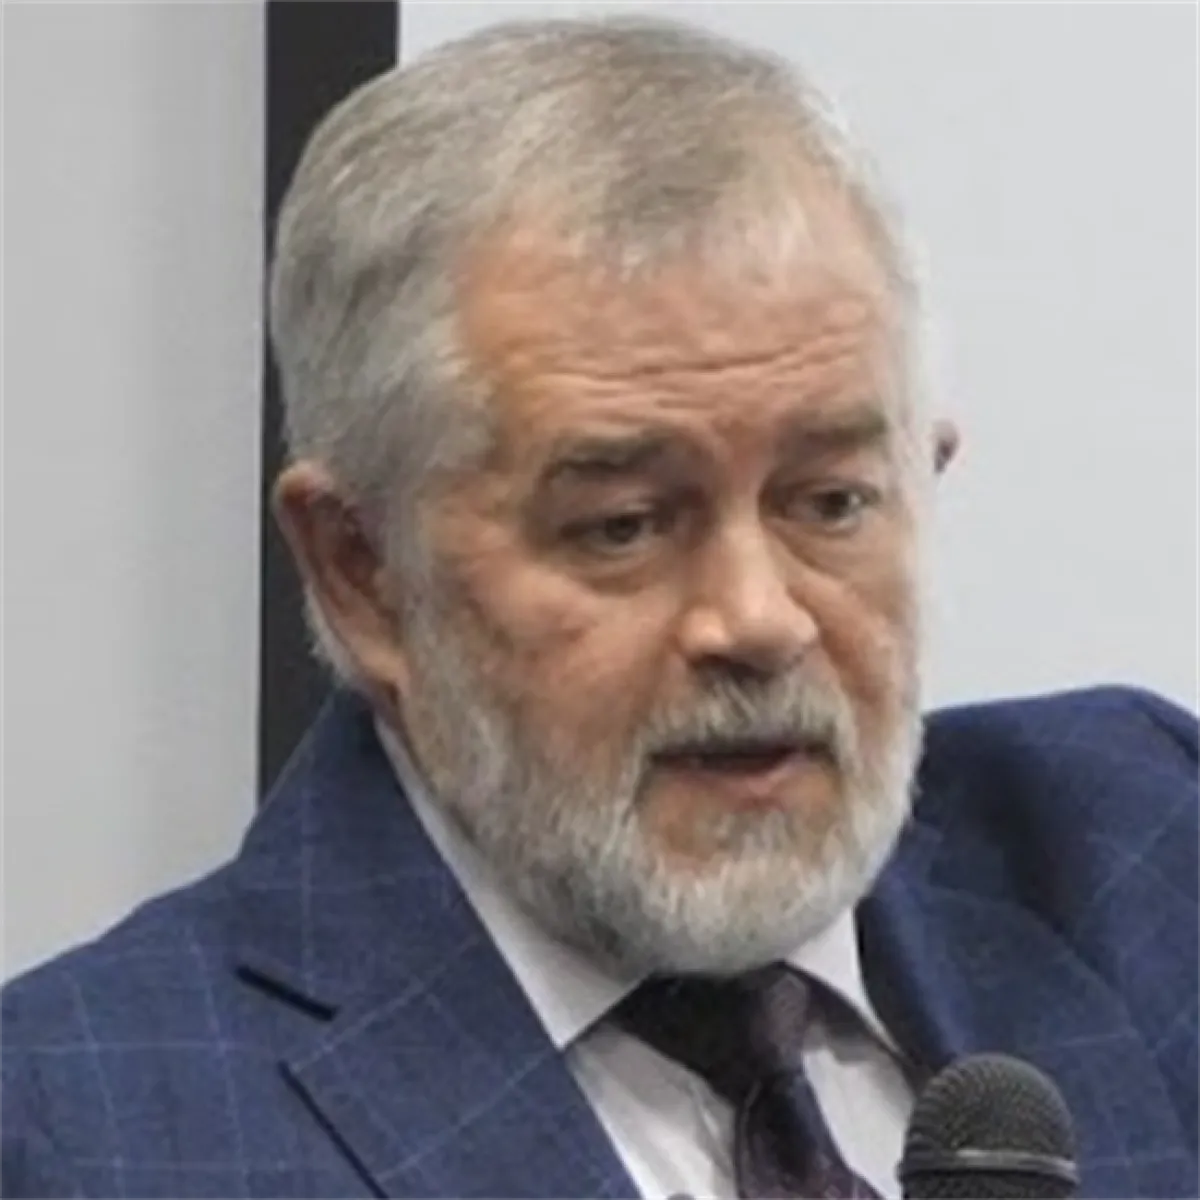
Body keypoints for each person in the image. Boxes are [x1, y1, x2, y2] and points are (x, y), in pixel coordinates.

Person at [1, 15, 1196, 1200]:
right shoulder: (91, 1137)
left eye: (832, 503)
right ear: (362, 571)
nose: (758, 619)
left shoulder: (1134, 860)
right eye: (623, 525)